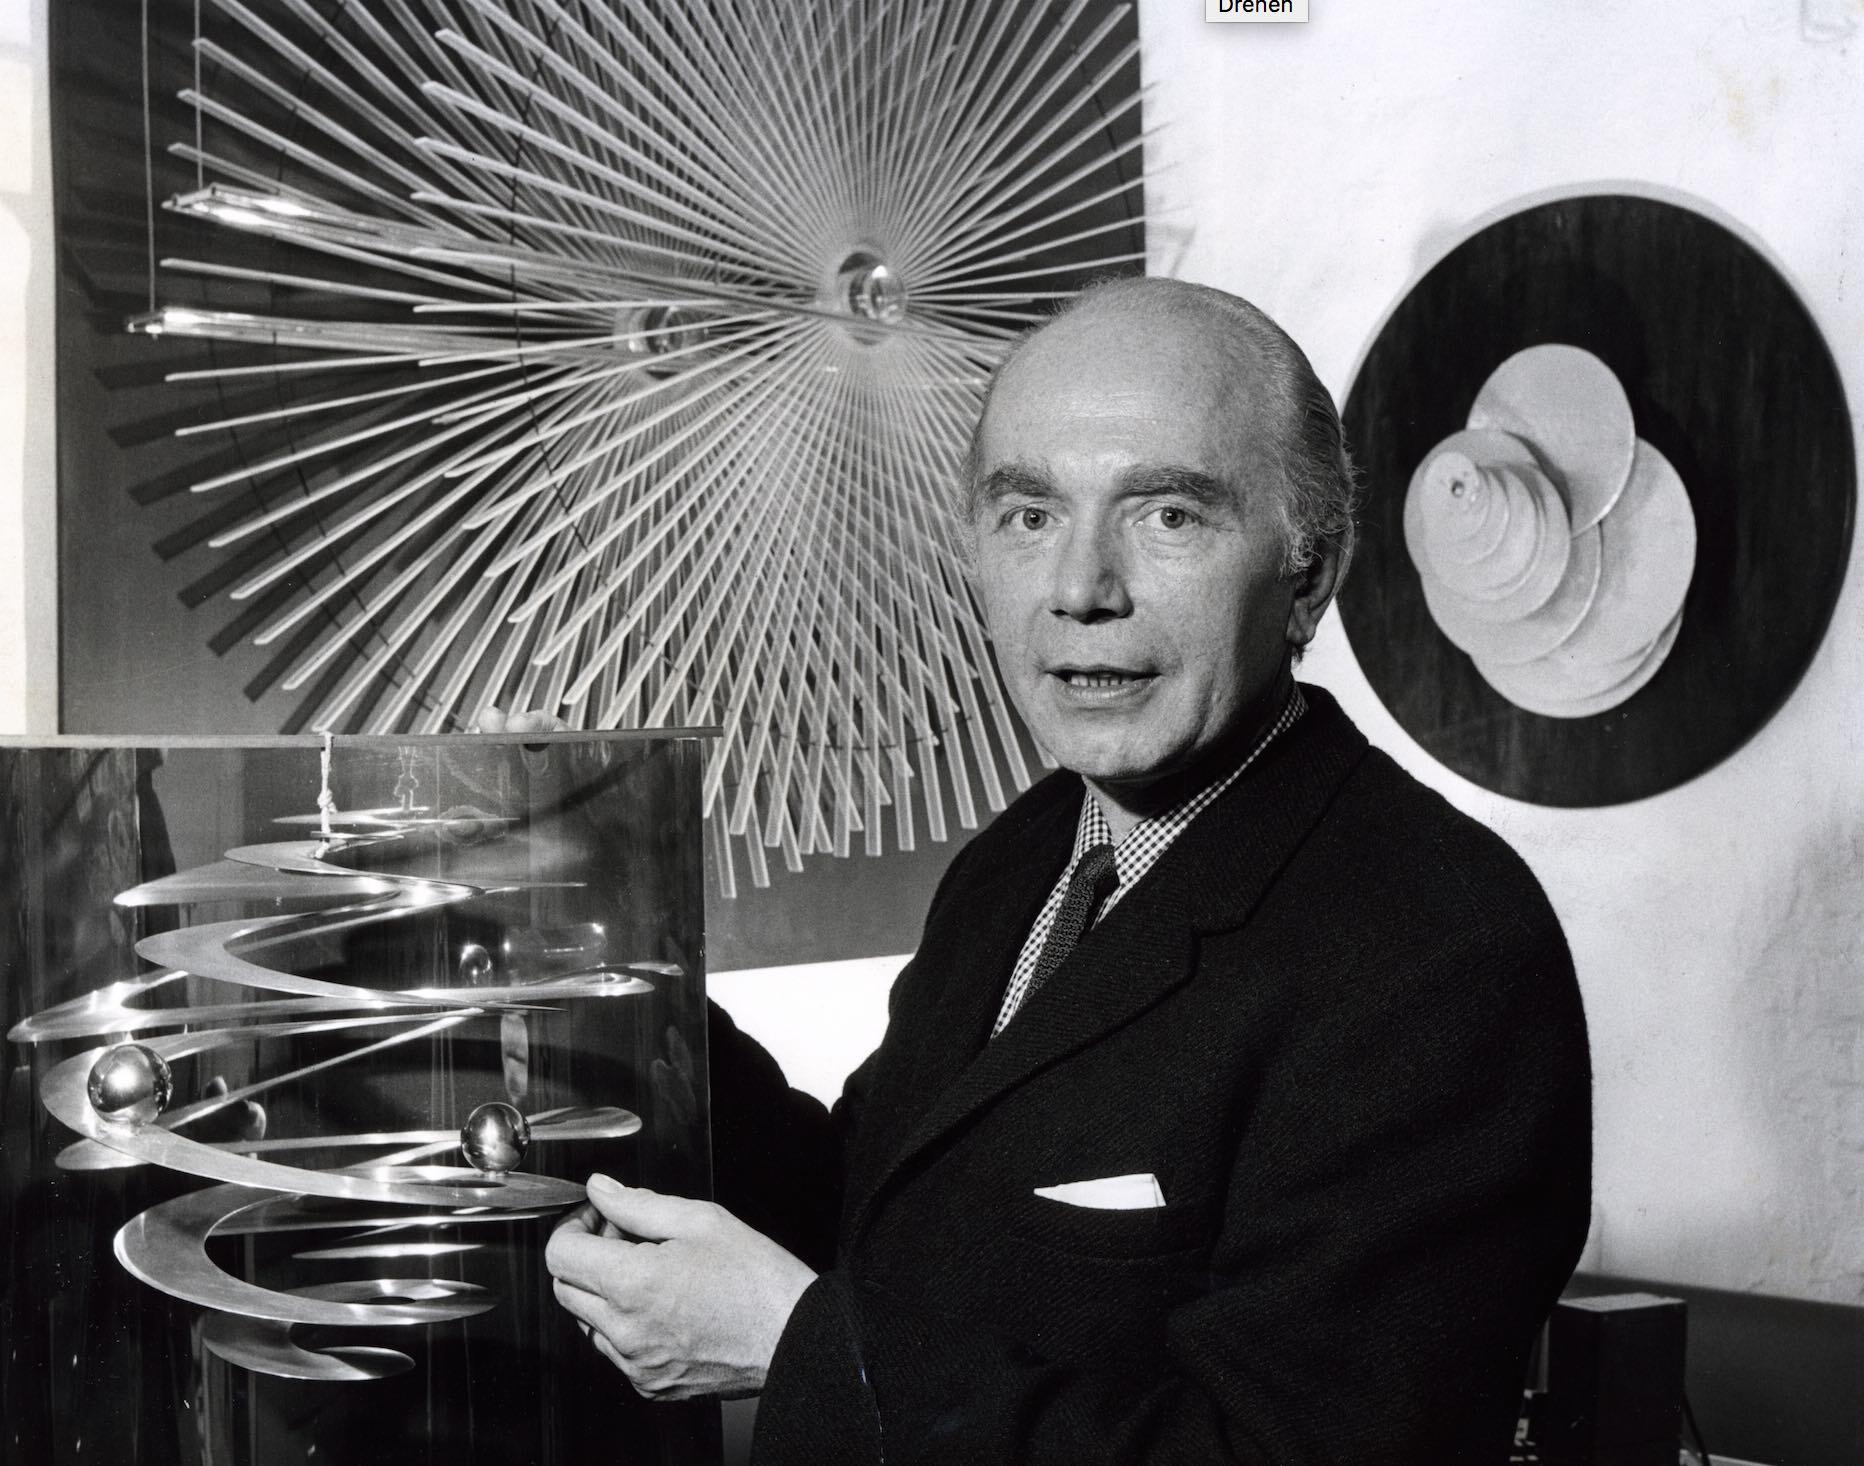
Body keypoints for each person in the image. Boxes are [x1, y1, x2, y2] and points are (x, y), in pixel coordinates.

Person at [521, 277, 1593, 1464]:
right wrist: (618, 967)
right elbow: (882, 1209)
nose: (1081, 589)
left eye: (1168, 515)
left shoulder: (1441, 940)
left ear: (1309, 572)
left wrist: (800, 1351)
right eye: (1029, 514)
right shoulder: (1026, 855)